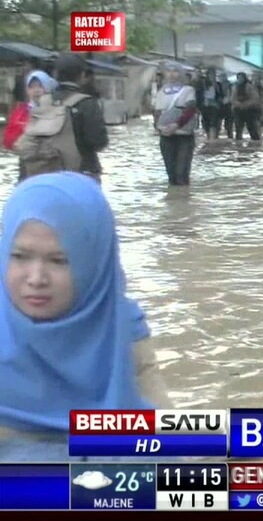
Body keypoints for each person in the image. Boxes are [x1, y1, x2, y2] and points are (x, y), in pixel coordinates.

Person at [0, 173, 170, 461]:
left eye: (59, 261)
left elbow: (165, 431)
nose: (36, 278)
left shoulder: (119, 326)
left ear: (93, 263)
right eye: (20, 256)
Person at [14, 55, 108, 183]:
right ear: (82, 76)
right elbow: (99, 142)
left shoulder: (42, 101)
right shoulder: (87, 104)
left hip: (38, 177)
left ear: (55, 74)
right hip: (80, 178)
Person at [153, 62, 199, 186]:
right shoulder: (161, 91)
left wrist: (176, 125)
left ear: (181, 73)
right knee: (171, 174)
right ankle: (174, 202)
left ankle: (184, 201)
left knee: (181, 173)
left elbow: (190, 110)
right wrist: (158, 127)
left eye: (175, 71)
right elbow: (157, 112)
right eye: (169, 71)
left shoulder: (188, 90)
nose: (172, 74)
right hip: (165, 136)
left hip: (184, 135)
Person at [231, 72, 262, 142]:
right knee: (238, 129)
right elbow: (233, 99)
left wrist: (246, 104)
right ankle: (238, 143)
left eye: (241, 78)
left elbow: (255, 98)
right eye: (238, 78)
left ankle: (256, 143)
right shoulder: (234, 87)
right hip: (238, 110)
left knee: (252, 128)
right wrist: (239, 104)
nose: (240, 79)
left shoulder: (250, 86)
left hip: (250, 110)